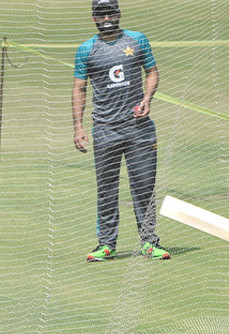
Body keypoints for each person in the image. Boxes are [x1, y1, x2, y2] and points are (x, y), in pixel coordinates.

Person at [72, 0, 169, 261]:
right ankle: (106, 245)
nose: (106, 17)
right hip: (105, 130)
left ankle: (149, 242)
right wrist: (79, 127)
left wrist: (147, 99)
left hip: (139, 130)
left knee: (144, 186)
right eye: (101, 13)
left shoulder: (137, 40)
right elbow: (79, 88)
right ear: (93, 17)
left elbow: (152, 72)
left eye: (111, 12)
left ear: (119, 13)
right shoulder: (86, 49)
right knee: (106, 189)